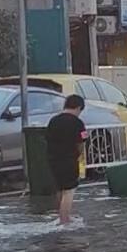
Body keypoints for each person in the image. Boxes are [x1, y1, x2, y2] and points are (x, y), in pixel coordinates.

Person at [46, 93, 88, 226]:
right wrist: (80, 155)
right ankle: (65, 220)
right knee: (69, 191)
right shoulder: (78, 123)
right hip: (69, 160)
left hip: (53, 159)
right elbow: (82, 141)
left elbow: (47, 139)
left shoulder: (53, 121)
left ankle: (62, 216)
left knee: (60, 189)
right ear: (79, 107)